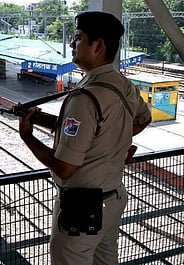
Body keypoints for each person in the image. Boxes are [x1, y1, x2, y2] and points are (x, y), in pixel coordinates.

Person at [18, 11, 151, 265]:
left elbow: (65, 168)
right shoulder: (125, 86)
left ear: (98, 46)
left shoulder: (84, 98)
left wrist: (28, 136)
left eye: (78, 38)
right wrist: (111, 140)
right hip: (113, 200)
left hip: (81, 212)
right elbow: (143, 119)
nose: (71, 44)